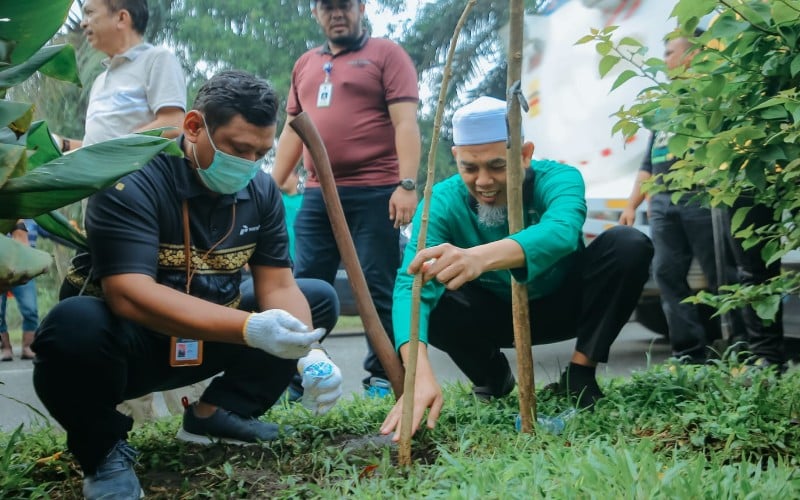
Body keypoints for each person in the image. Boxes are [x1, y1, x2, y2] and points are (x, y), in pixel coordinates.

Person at [32, 70, 344, 499]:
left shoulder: (260, 191)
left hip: (206, 335)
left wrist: (310, 350)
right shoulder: (132, 177)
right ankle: (103, 455)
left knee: (316, 298)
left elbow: (279, 285)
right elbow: (129, 294)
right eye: (237, 148)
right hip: (126, 346)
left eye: (260, 152)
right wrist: (248, 329)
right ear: (194, 126)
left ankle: (218, 412)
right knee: (71, 325)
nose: (249, 163)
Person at [380, 96, 654, 439]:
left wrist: (477, 257)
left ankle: (580, 374)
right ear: (456, 159)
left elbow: (561, 233)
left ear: (524, 154)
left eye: (497, 166)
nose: (483, 181)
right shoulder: (441, 201)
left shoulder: (560, 178)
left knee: (628, 244)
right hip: (493, 317)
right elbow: (412, 285)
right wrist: (417, 374)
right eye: (469, 168)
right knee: (427, 288)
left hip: (565, 303)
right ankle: (491, 376)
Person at [271, 0, 421, 395]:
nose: (337, 13)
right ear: (316, 12)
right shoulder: (305, 64)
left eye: (345, 5)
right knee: (299, 287)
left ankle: (383, 378)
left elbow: (405, 122)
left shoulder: (386, 54)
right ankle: (296, 377)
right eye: (327, 6)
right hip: (318, 195)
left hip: (375, 192)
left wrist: (407, 185)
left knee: (378, 285)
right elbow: (291, 131)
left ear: (361, 8)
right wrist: (270, 186)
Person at [619, 32, 741, 363]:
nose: (666, 60)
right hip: (662, 204)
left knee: (723, 275)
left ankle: (739, 350)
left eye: (671, 52)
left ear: (692, 56)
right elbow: (649, 162)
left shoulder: (712, 98)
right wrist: (631, 205)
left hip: (702, 198)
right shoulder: (665, 106)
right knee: (667, 274)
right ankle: (688, 354)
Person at [52, 0, 186, 152]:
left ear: (121, 18)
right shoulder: (99, 81)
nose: (83, 23)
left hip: (136, 174)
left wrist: (116, 152)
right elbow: (100, 148)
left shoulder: (157, 59)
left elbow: (174, 124)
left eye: (89, 13)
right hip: (101, 173)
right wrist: (64, 144)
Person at [0, 220, 39, 361]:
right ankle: (5, 347)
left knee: (30, 309)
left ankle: (28, 346)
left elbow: (55, 230)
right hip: (2, 267)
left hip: (24, 269)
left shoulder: (35, 218)